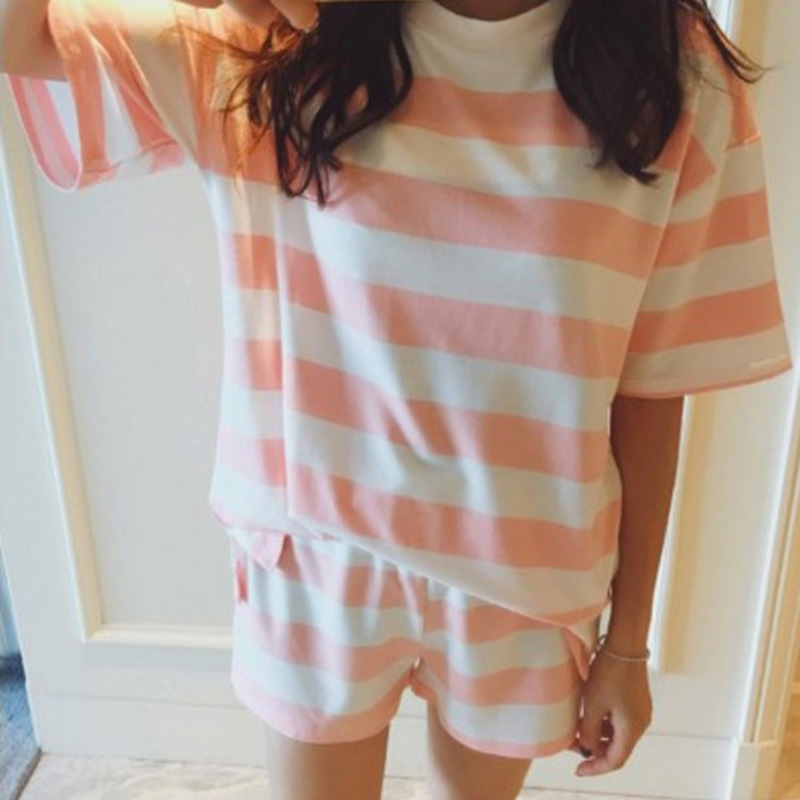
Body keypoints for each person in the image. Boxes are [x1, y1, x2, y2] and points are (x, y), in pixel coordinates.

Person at [0, 0, 793, 797]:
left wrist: (629, 642)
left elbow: (654, 384)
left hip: (527, 572)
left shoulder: (674, 73)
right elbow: (17, 37)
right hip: (315, 557)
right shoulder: (281, 40)